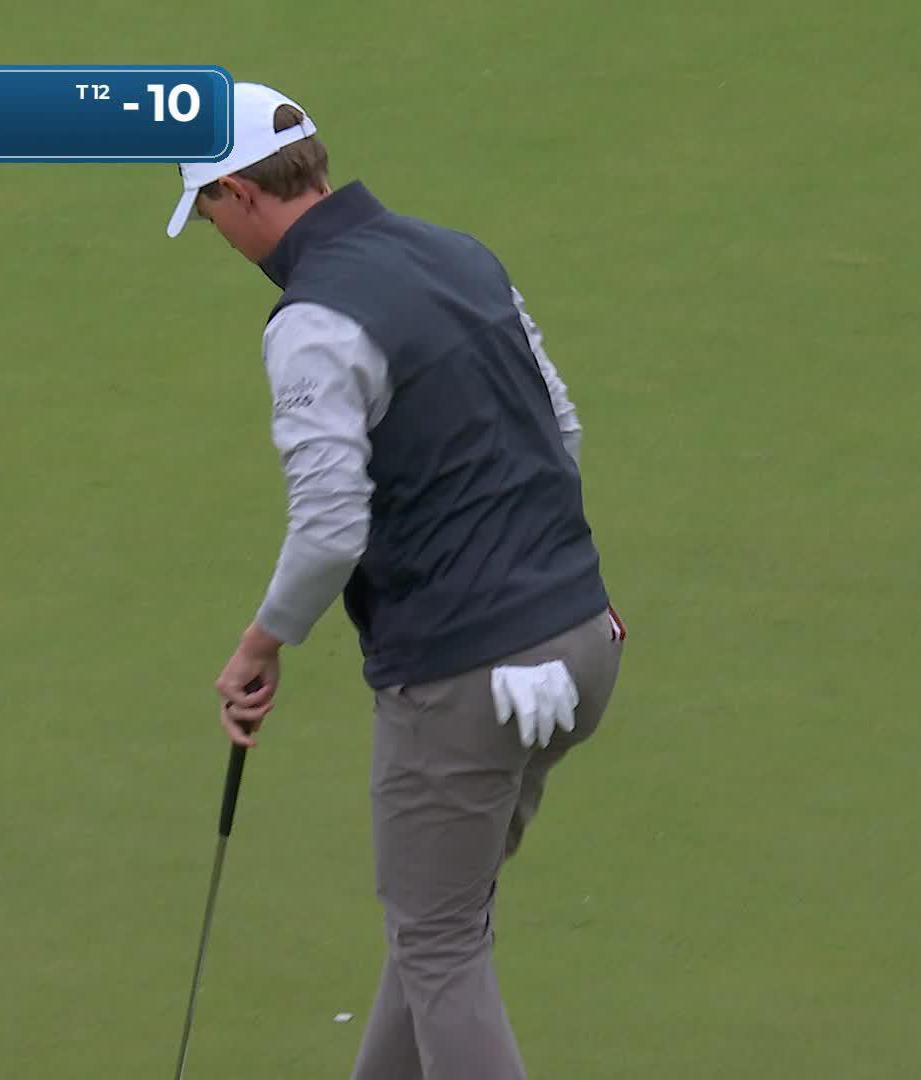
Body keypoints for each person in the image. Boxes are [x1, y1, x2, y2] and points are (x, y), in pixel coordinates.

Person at [166, 81, 625, 1080]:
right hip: (584, 642)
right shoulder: (461, 253)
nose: (217, 235)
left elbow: (331, 528)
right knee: (438, 927)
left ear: (241, 193)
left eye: (207, 212)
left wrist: (261, 644)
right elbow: (562, 429)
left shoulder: (311, 320)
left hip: (463, 680)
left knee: (440, 940)